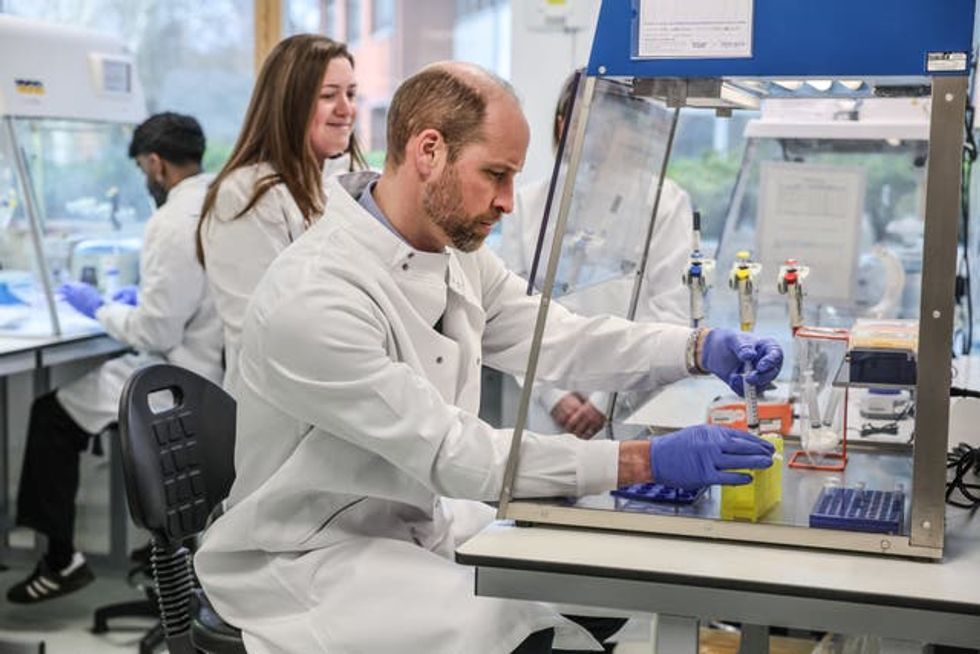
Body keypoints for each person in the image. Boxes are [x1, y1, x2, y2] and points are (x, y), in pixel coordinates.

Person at [194, 63, 782, 654]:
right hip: (307, 555)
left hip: (412, 523)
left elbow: (562, 336)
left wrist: (694, 349)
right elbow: (455, 454)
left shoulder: (455, 255)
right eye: (494, 175)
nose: (506, 202)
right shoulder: (316, 295)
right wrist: (641, 460)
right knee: (502, 628)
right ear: (429, 150)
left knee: (607, 580)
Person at [8, 112, 223, 603]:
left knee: (50, 416)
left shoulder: (171, 220)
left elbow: (156, 329)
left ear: (154, 164)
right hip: (211, 374)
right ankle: (159, 551)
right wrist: (141, 294)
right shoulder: (220, 203)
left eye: (143, 172)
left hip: (176, 379)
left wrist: (100, 306)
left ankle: (61, 560)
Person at [498, 73, 694, 438]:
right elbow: (511, 313)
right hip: (545, 414)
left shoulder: (664, 204)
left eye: (611, 124)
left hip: (630, 412)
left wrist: (607, 402)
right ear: (562, 126)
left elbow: (671, 316)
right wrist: (551, 395)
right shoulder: (527, 204)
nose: (599, 138)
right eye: (585, 122)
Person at [197, 33, 367, 393]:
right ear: (289, 104)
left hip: (332, 388)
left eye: (351, 94)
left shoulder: (329, 188)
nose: (346, 109)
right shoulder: (245, 196)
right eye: (328, 96)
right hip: (277, 406)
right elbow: (263, 328)